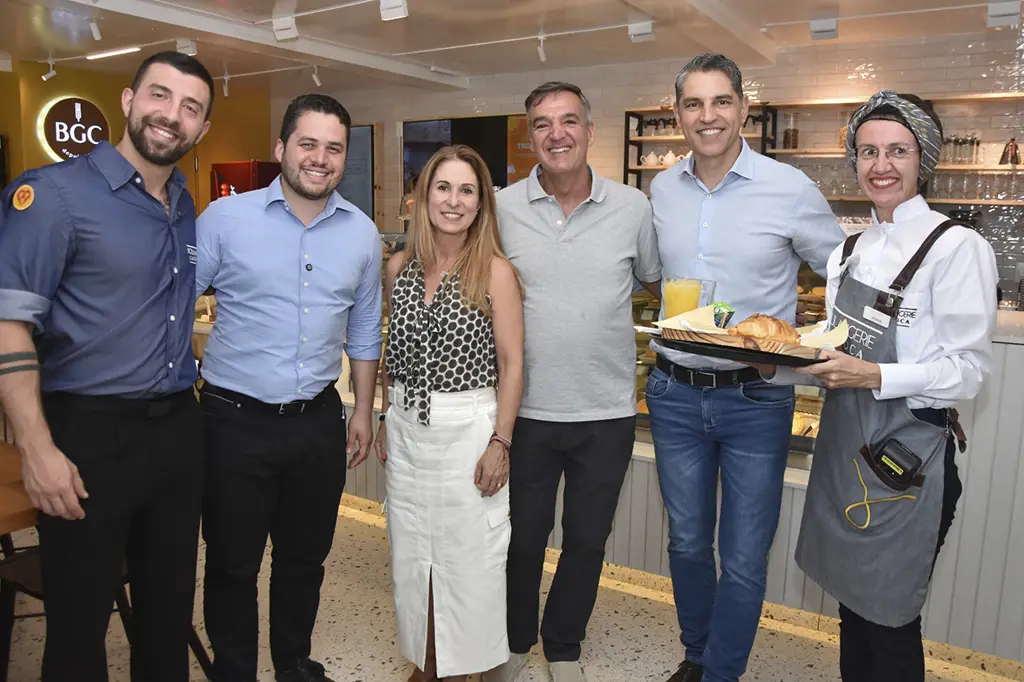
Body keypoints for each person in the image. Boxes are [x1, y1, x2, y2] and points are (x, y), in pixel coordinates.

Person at [760, 90, 997, 682]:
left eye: (897, 150)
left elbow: (968, 371)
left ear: (925, 158)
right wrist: (767, 357)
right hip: (845, 450)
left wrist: (875, 376)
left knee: (889, 619)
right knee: (851, 607)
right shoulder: (849, 251)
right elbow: (840, 351)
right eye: (867, 151)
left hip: (908, 461)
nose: (880, 165)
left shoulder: (956, 248)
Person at [0, 51, 213, 681]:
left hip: (176, 430)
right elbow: (8, 323)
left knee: (167, 616)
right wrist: (37, 449)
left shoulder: (182, 204)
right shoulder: (53, 197)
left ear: (200, 128)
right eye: (160, 96)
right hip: (89, 434)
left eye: (190, 107)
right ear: (128, 101)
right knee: (78, 625)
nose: (171, 116)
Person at [645, 53, 844, 682]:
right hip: (674, 393)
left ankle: (722, 673)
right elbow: (651, 277)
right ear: (677, 114)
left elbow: (843, 272)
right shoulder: (661, 189)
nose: (708, 116)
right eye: (694, 104)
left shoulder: (788, 189)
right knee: (684, 543)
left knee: (745, 557)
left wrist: (819, 341)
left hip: (757, 400)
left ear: (743, 110)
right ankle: (697, 655)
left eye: (721, 102)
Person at [195, 94, 381, 682]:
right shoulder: (225, 219)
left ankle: (293, 662)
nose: (320, 158)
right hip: (232, 421)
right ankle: (234, 671)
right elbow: (173, 309)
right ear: (281, 148)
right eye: (308, 144)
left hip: (315, 422)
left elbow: (364, 329)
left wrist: (363, 411)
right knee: (232, 564)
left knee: (304, 559)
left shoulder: (362, 233)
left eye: (333, 148)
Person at [487, 81, 662, 682]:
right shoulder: (502, 208)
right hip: (527, 410)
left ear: (591, 130)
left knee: (587, 541)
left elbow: (654, 284)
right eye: (542, 123)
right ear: (529, 136)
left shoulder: (633, 209)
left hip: (606, 411)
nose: (556, 133)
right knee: (522, 541)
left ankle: (563, 646)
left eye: (568, 121)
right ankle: (512, 643)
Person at [374, 144, 524, 682]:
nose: (453, 201)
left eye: (467, 190)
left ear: (482, 203)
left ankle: (465, 670)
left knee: (469, 563)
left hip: (468, 433)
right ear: (422, 196)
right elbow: (395, 349)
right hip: (411, 436)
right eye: (443, 187)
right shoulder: (399, 269)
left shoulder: (495, 273)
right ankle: (428, 662)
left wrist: (500, 443)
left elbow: (512, 365)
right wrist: (388, 412)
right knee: (413, 559)